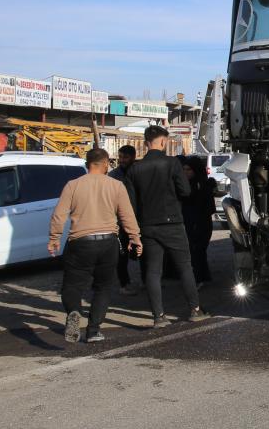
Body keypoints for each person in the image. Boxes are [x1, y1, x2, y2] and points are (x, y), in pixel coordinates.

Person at [49, 148, 143, 343]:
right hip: (108, 243)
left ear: (87, 164)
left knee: (72, 286)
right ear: (106, 163)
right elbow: (127, 215)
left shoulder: (72, 185)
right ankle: (93, 330)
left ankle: (74, 312)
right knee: (103, 287)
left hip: (79, 242)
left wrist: (54, 238)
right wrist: (135, 238)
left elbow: (59, 215)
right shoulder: (116, 185)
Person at [126, 125, 209, 327]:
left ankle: (158, 316)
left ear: (146, 143)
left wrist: (134, 229)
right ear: (162, 142)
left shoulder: (134, 168)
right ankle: (195, 310)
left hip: (147, 225)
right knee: (184, 267)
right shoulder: (172, 163)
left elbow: (131, 202)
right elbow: (185, 191)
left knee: (153, 271)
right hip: (172, 222)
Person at [179, 155, 217, 286]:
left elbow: (209, 209)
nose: (185, 172)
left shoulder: (202, 186)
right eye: (184, 169)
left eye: (188, 169)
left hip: (200, 224)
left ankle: (198, 279)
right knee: (195, 252)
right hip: (190, 224)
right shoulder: (187, 185)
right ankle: (202, 277)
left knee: (197, 252)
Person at [108, 145, 141, 296]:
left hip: (140, 219)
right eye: (120, 157)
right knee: (121, 255)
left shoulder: (140, 172)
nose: (121, 160)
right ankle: (124, 283)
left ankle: (148, 281)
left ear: (133, 157)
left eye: (125, 157)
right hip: (120, 221)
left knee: (143, 252)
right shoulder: (113, 175)